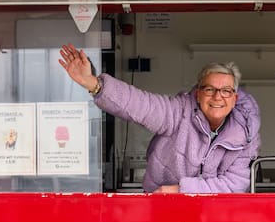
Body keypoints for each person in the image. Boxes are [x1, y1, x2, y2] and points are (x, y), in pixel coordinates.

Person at [58, 43, 261, 193]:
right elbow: (139, 104)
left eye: (226, 91)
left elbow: (234, 183)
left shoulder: (246, 134)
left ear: (234, 98)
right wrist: (94, 84)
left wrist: (179, 189)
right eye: (210, 89)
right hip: (163, 209)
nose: (218, 97)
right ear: (198, 94)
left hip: (212, 215)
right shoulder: (179, 112)